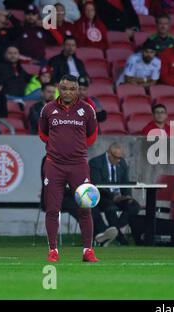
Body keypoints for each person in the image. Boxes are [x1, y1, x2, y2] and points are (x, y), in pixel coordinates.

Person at [38, 74, 99, 263]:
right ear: (58, 88)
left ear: (77, 90)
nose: (68, 92)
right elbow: (43, 134)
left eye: (72, 89)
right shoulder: (48, 109)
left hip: (78, 166)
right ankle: (53, 251)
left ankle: (88, 251)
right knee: (52, 209)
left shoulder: (87, 110)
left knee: (85, 209)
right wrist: (59, 150)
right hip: (54, 165)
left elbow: (91, 136)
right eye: (64, 88)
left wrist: (74, 152)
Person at [89, 143, 141, 246]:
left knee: (134, 206)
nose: (119, 160)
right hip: (103, 196)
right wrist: (113, 197)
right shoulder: (95, 163)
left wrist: (127, 196)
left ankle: (112, 231)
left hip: (119, 197)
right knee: (110, 208)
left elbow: (125, 182)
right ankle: (120, 238)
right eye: (116, 158)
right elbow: (97, 185)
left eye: (120, 158)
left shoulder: (122, 163)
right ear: (109, 154)